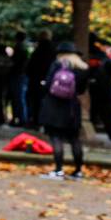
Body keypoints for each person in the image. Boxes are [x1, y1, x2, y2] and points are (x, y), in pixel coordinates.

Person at [38, 42, 90, 179]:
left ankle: (58, 170)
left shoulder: (57, 65)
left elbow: (48, 85)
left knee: (56, 138)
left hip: (54, 106)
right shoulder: (82, 67)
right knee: (74, 139)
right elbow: (81, 90)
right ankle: (78, 171)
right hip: (72, 107)